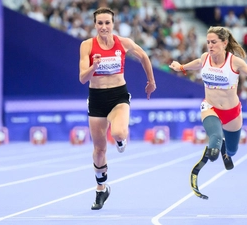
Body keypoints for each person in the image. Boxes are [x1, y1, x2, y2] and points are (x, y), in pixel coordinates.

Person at [79, 7, 156, 210]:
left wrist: (151, 81)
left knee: (119, 132)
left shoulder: (123, 43)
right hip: (96, 99)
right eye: (100, 23)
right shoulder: (87, 46)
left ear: (113, 24)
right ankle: (101, 189)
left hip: (118, 96)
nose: (104, 27)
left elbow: (144, 57)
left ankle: (121, 139)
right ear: (95, 25)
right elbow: (82, 78)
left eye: (107, 23)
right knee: (99, 150)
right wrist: (93, 67)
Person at [169, 26, 247, 172]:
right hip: (210, 108)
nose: (210, 46)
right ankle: (216, 147)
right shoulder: (205, 57)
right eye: (208, 42)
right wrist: (181, 67)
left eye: (214, 42)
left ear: (224, 43)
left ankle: (226, 149)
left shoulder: (234, 62)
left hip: (231, 112)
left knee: (232, 150)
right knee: (215, 142)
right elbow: (197, 63)